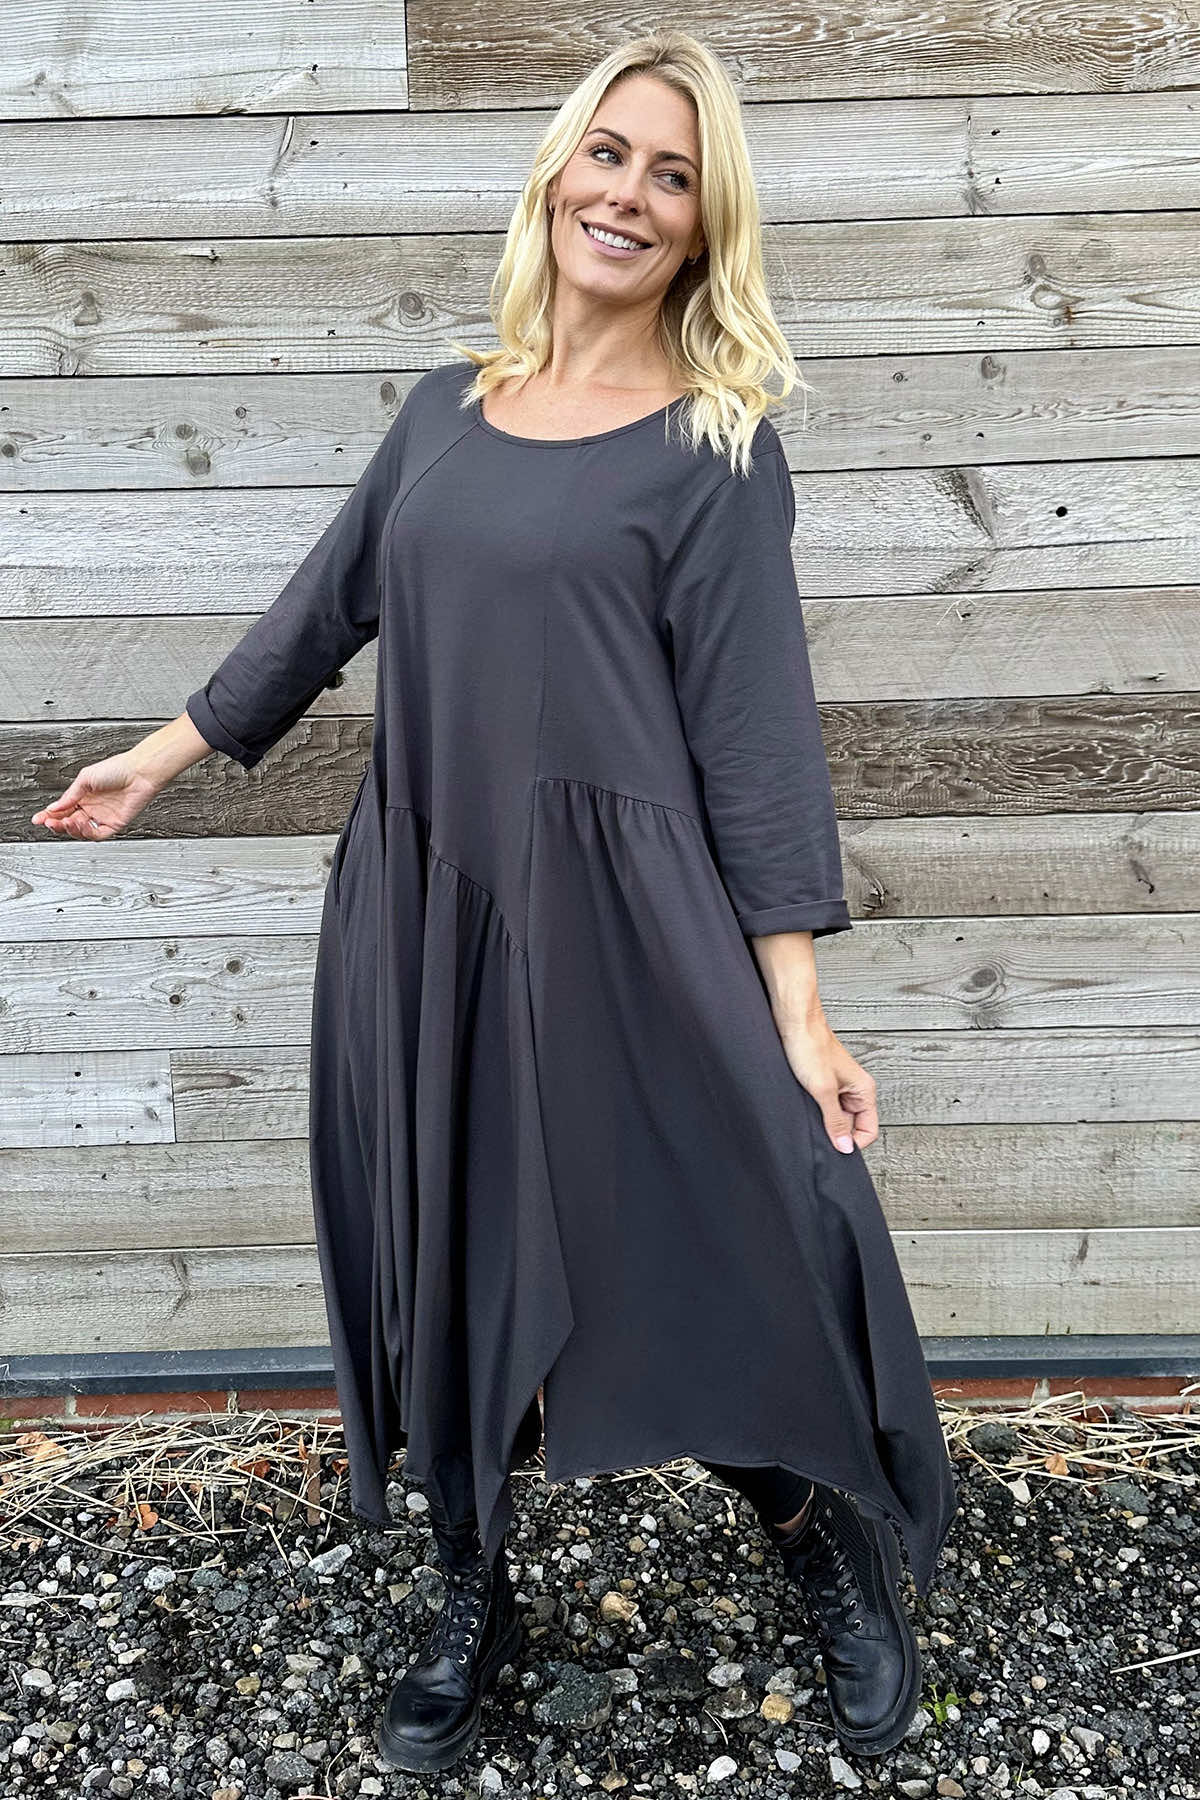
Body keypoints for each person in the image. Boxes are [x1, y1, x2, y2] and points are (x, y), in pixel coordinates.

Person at [32, 28, 958, 1775]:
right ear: (556, 173)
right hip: (432, 900)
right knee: (448, 1241)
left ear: (704, 225)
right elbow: (323, 611)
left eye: (674, 176)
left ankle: (811, 1523)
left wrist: (799, 1005)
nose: (631, 194)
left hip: (625, 917)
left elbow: (758, 742)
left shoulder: (714, 449)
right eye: (610, 154)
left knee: (699, 1226)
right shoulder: (443, 414)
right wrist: (155, 759)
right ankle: (472, 1568)